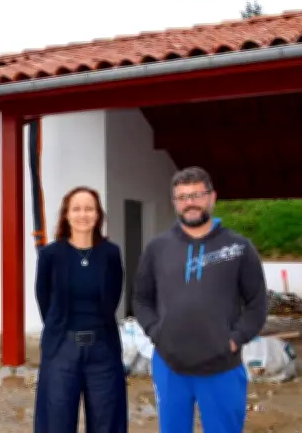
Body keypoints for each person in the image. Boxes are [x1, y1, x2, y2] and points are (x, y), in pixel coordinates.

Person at [133, 167, 268, 433]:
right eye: (182, 197)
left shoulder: (238, 248)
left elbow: (257, 303)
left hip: (222, 367)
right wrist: (156, 332)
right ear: (174, 203)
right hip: (170, 366)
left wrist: (235, 338)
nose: (190, 203)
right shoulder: (157, 248)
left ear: (212, 197)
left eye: (197, 195)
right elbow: (141, 298)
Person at [34, 186, 128, 433]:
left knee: (107, 421)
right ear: (66, 214)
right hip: (62, 349)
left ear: (98, 215)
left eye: (89, 208)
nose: (83, 214)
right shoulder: (50, 255)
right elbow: (44, 299)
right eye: (76, 209)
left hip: (102, 350)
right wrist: (60, 329)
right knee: (57, 421)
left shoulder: (110, 253)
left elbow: (114, 296)